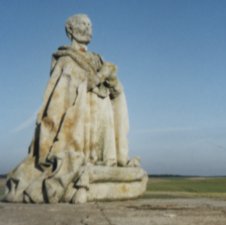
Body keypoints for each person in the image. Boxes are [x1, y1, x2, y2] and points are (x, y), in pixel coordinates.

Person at [4, 14, 134, 203]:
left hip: (102, 113)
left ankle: (99, 166)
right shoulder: (66, 59)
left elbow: (116, 89)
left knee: (106, 158)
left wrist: (111, 78)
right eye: (82, 24)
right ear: (70, 30)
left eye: (90, 24)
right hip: (79, 119)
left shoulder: (98, 59)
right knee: (74, 160)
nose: (88, 28)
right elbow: (59, 95)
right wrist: (96, 79)